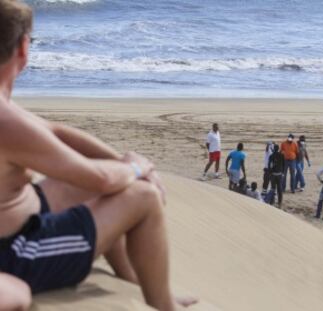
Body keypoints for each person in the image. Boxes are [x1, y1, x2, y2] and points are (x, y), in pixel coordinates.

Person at [0, 2, 197, 310]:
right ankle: (164, 305)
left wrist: (119, 160)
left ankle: (132, 276)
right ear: (23, 48)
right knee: (143, 197)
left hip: (17, 223)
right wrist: (137, 168)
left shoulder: (6, 113)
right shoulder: (5, 122)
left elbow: (55, 131)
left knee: (114, 179)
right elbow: (102, 179)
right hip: (17, 255)